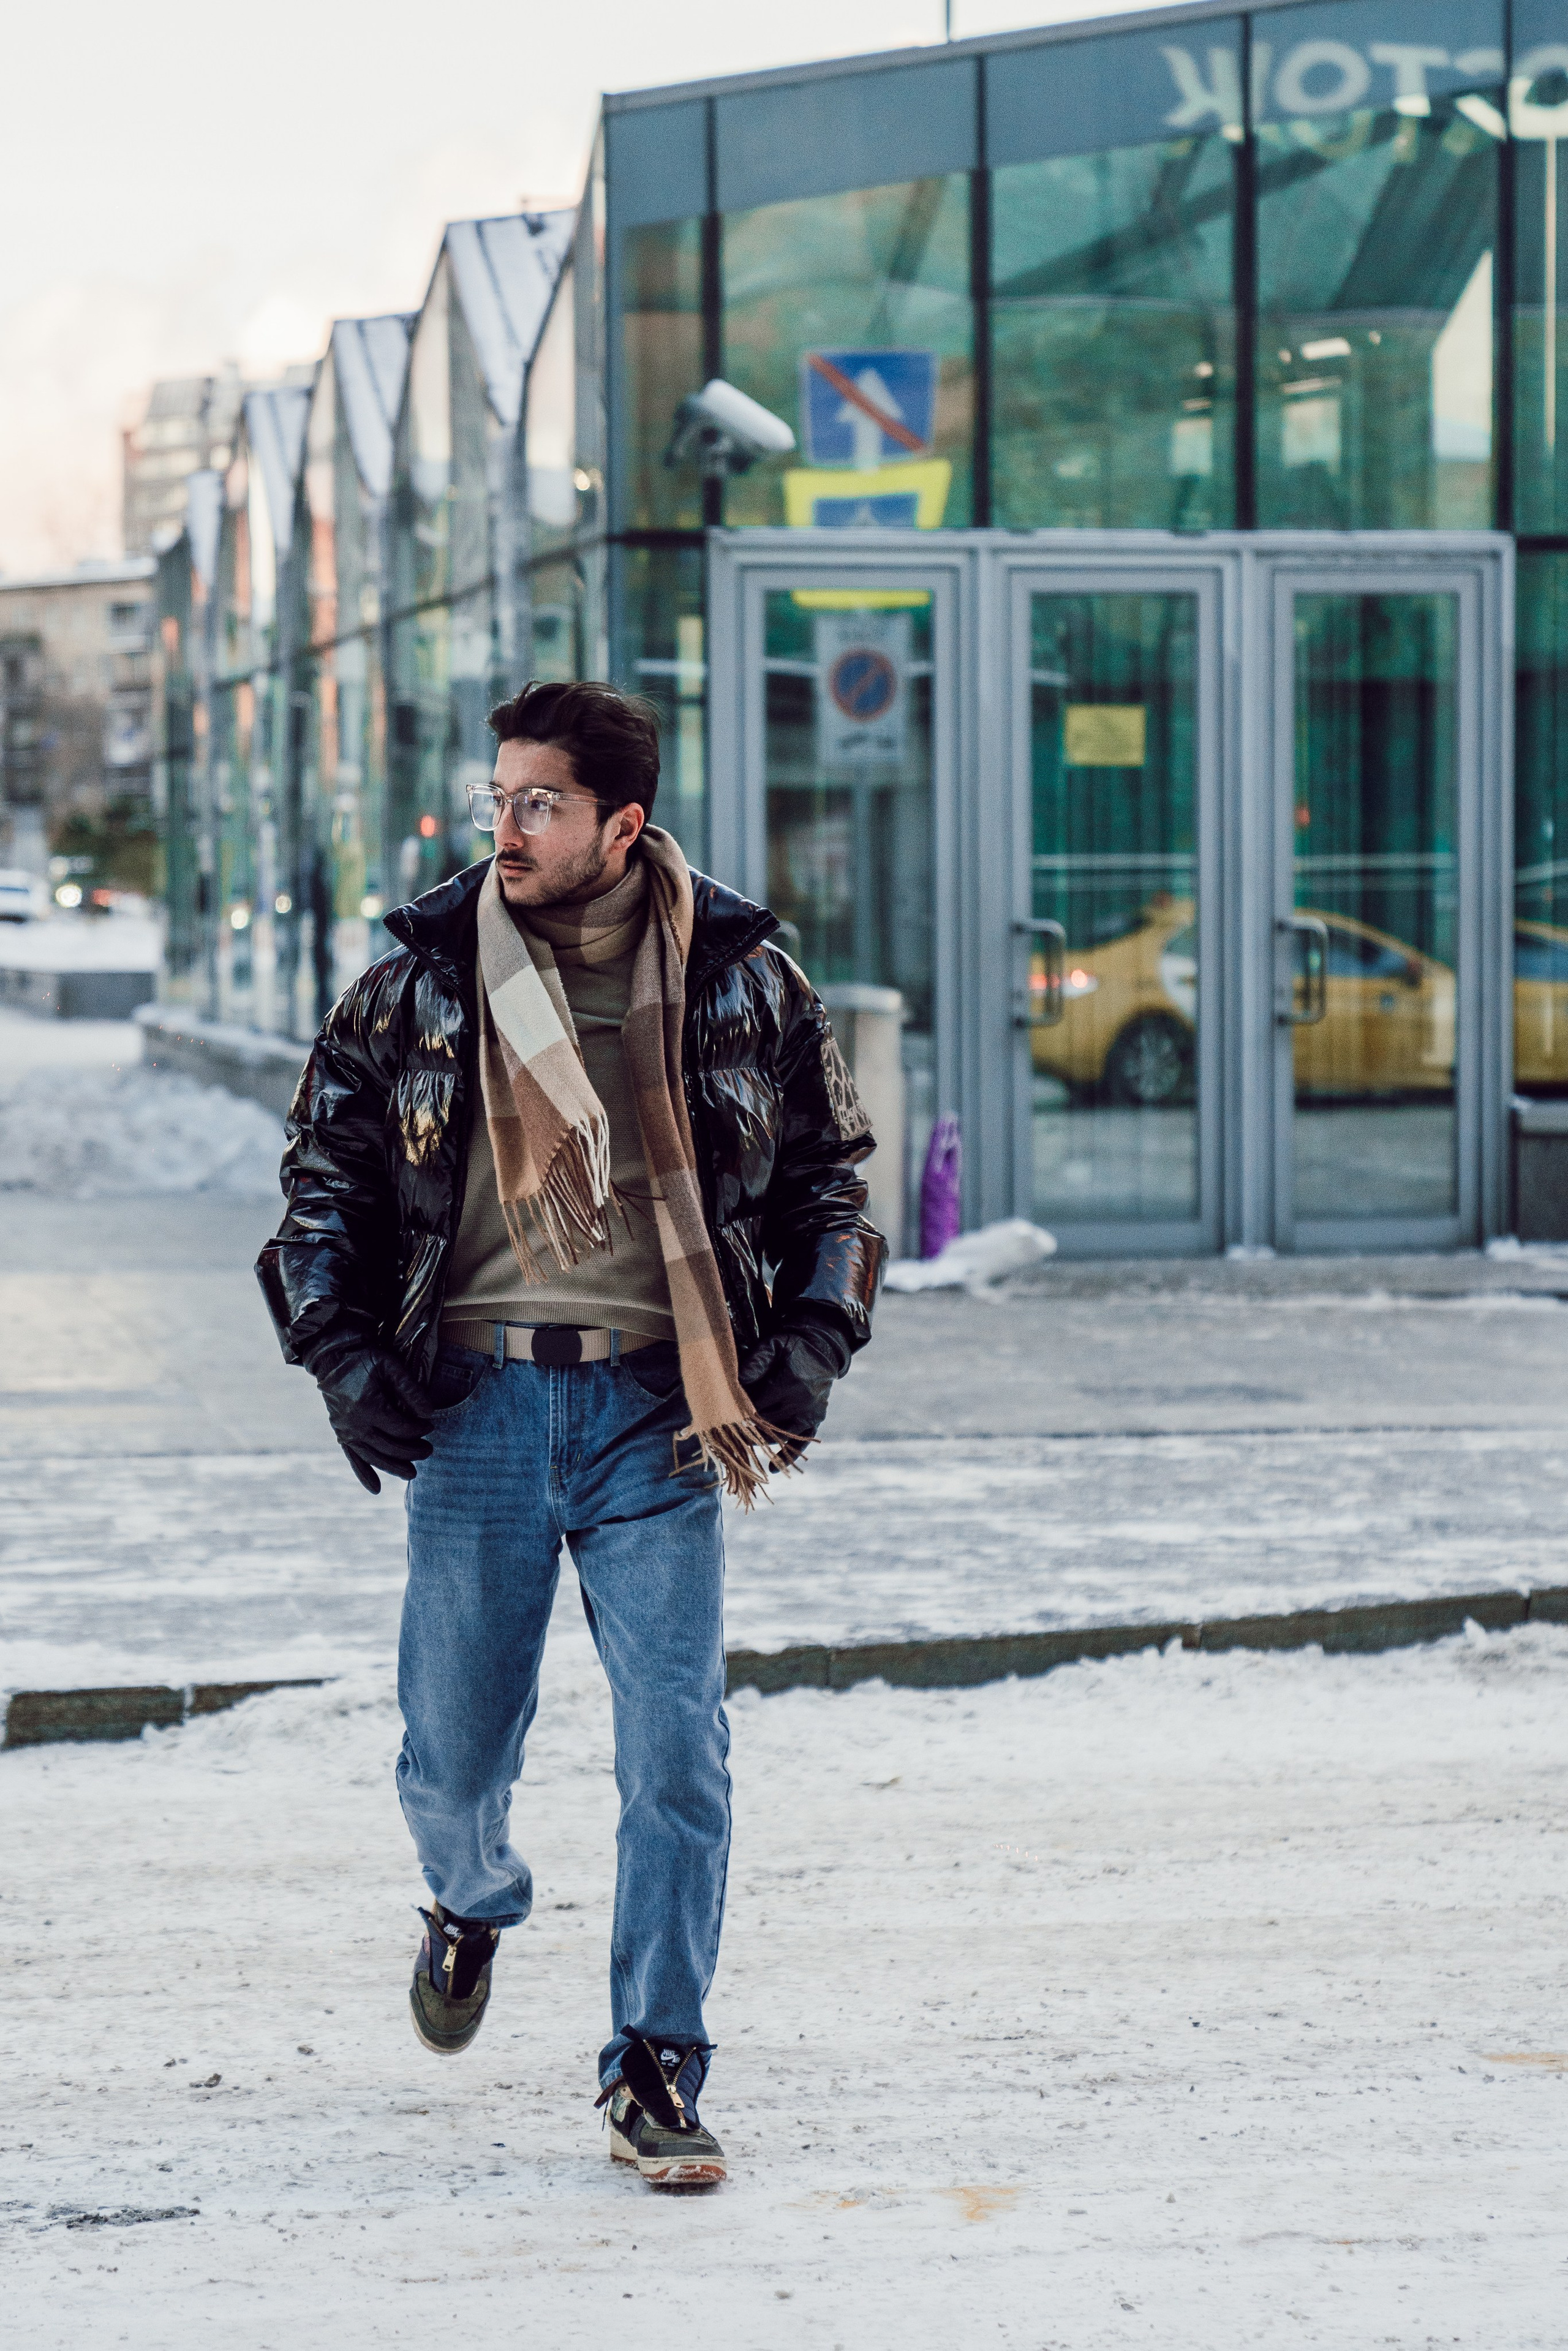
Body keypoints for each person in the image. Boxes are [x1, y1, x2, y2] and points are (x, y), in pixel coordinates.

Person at [257, 680, 883, 2188]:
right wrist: (340, 1354)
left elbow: (831, 1190)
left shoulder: (742, 979)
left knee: (678, 1752)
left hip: (657, 1409)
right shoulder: (414, 979)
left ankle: (653, 2064)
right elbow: (320, 1181)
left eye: (539, 802)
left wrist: (806, 1342)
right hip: (471, 1404)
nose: (507, 828)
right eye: (498, 800)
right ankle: (467, 1898)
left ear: (623, 822)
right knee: (453, 1757)